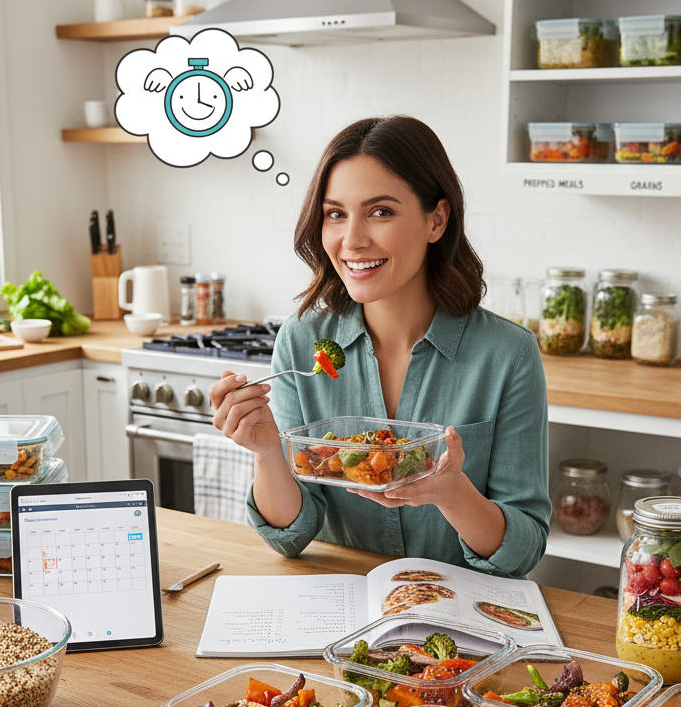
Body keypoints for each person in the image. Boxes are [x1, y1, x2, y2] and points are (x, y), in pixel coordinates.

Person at [209, 115, 550, 577]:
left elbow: (522, 548)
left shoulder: (508, 354)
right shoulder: (301, 340)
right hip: (337, 606)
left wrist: (452, 492)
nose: (352, 240)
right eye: (336, 214)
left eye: (381, 212)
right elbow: (289, 536)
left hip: (454, 611)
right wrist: (269, 451)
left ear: (436, 220)